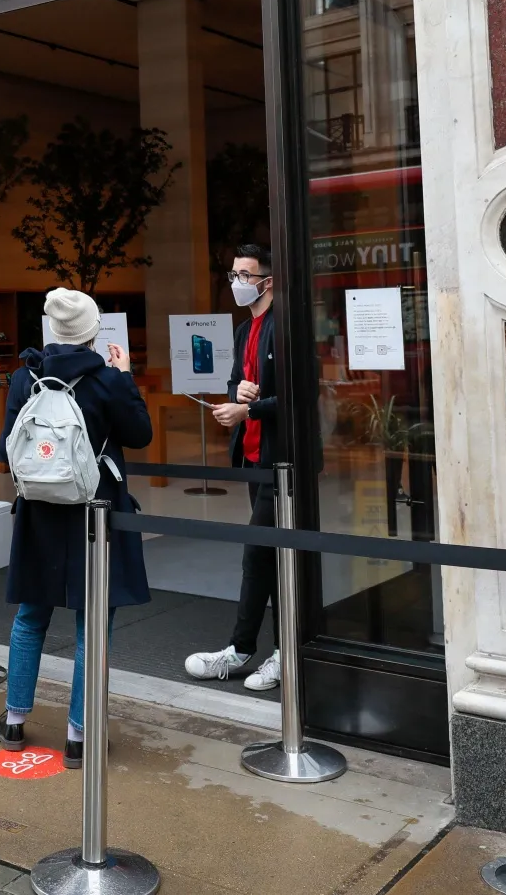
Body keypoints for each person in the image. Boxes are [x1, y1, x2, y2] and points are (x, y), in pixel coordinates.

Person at [0, 288, 152, 767]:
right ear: (92, 332)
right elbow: (140, 435)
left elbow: (7, 445)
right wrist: (125, 378)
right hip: (95, 510)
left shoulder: (26, 378)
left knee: (30, 618)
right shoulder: (106, 379)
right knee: (92, 628)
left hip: (40, 510)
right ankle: (78, 736)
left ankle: (15, 721)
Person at [185, 244, 283, 692]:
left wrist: (251, 410)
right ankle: (268, 650)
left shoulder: (285, 326)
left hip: (283, 461)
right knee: (269, 555)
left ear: (267, 280)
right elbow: (233, 381)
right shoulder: (246, 330)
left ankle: (248, 649)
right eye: (233, 274)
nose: (237, 283)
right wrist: (236, 393)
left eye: (246, 275)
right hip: (254, 457)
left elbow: (301, 396)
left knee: (261, 553)